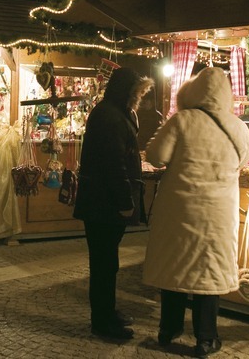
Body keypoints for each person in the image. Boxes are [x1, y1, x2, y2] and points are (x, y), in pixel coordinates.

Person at [143, 67, 249, 358]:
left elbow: (156, 156)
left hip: (180, 208)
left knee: (175, 266)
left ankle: (168, 331)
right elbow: (243, 160)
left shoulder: (182, 120)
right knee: (209, 270)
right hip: (218, 211)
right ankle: (206, 338)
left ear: (193, 90)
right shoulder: (238, 126)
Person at [73, 67, 153, 340]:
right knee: (104, 263)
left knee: (108, 262)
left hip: (103, 201)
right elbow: (113, 164)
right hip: (103, 202)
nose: (139, 98)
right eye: (138, 93)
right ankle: (102, 321)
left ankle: (108, 312)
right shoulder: (110, 116)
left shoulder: (115, 112)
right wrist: (125, 202)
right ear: (127, 92)